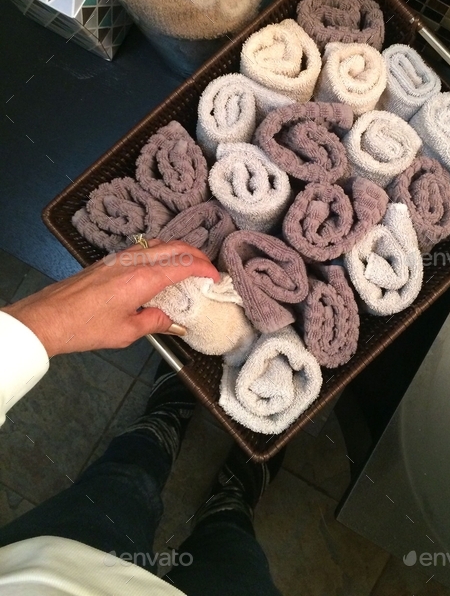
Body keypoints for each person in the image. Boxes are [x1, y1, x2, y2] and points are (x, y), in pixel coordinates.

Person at [0, 239, 282, 595]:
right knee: (232, 547)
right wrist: (37, 324)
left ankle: (163, 423)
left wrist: (41, 323)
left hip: (54, 564)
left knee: (126, 478)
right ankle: (230, 501)